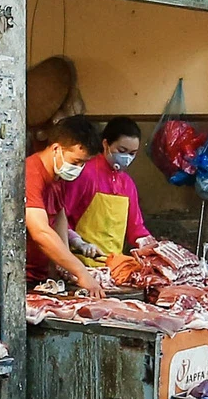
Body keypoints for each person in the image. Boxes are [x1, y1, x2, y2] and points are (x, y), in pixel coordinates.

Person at [59, 117, 151, 279]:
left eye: (132, 153)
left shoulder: (128, 184)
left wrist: (154, 247)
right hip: (81, 268)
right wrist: (78, 242)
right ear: (106, 144)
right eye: (122, 151)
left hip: (114, 271)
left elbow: (135, 229)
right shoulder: (85, 173)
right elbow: (59, 217)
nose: (127, 158)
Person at [24, 116, 104, 294]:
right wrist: (81, 272)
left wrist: (64, 265)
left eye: (83, 163)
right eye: (76, 162)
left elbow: (60, 216)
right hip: (22, 277)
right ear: (56, 148)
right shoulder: (31, 174)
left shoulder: (59, 177)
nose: (79, 168)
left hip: (43, 278)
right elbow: (41, 232)